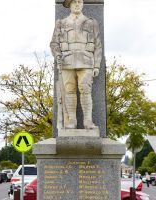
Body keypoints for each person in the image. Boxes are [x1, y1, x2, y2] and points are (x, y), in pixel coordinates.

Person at [50, 0, 102, 129]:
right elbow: (54, 43)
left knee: (85, 91)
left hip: (86, 61)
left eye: (80, 1)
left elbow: (98, 45)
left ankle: (88, 121)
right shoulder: (61, 23)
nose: (77, 4)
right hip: (67, 61)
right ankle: (72, 121)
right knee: (69, 91)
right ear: (70, 5)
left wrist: (96, 65)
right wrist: (57, 55)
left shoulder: (91, 22)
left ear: (83, 3)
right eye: (74, 2)